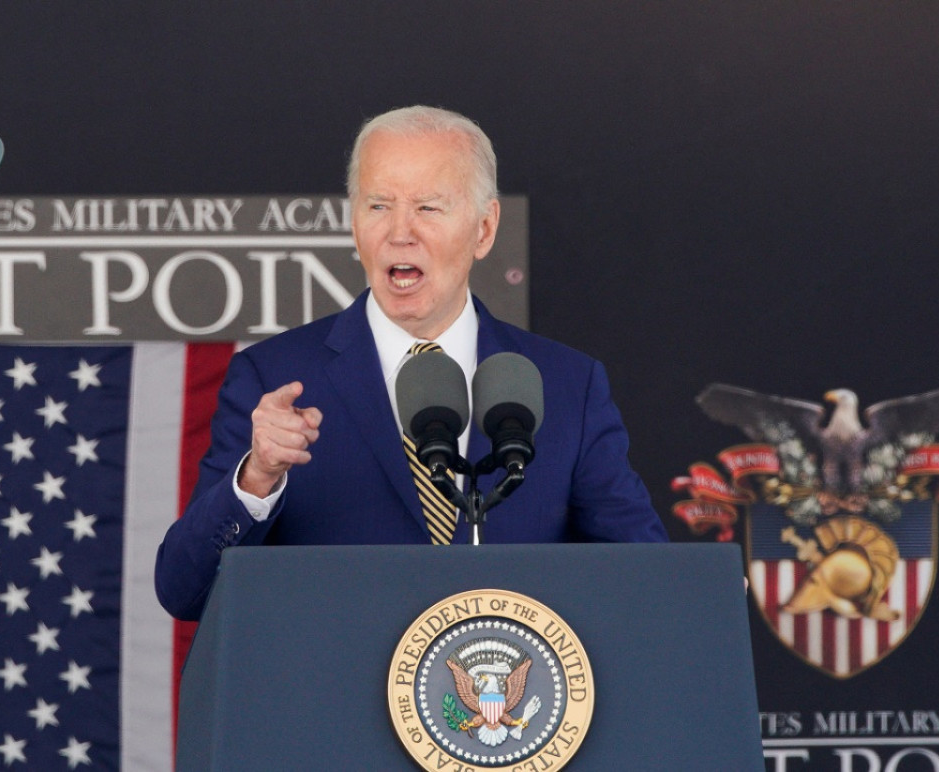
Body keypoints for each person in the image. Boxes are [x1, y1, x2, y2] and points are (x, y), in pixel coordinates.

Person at [155, 106, 667, 620]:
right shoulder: (276, 379)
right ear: (355, 225)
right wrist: (257, 479)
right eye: (378, 206)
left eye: (427, 207)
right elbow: (185, 591)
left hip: (504, 697)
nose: (400, 232)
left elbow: (648, 583)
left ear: (485, 229)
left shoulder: (566, 386)